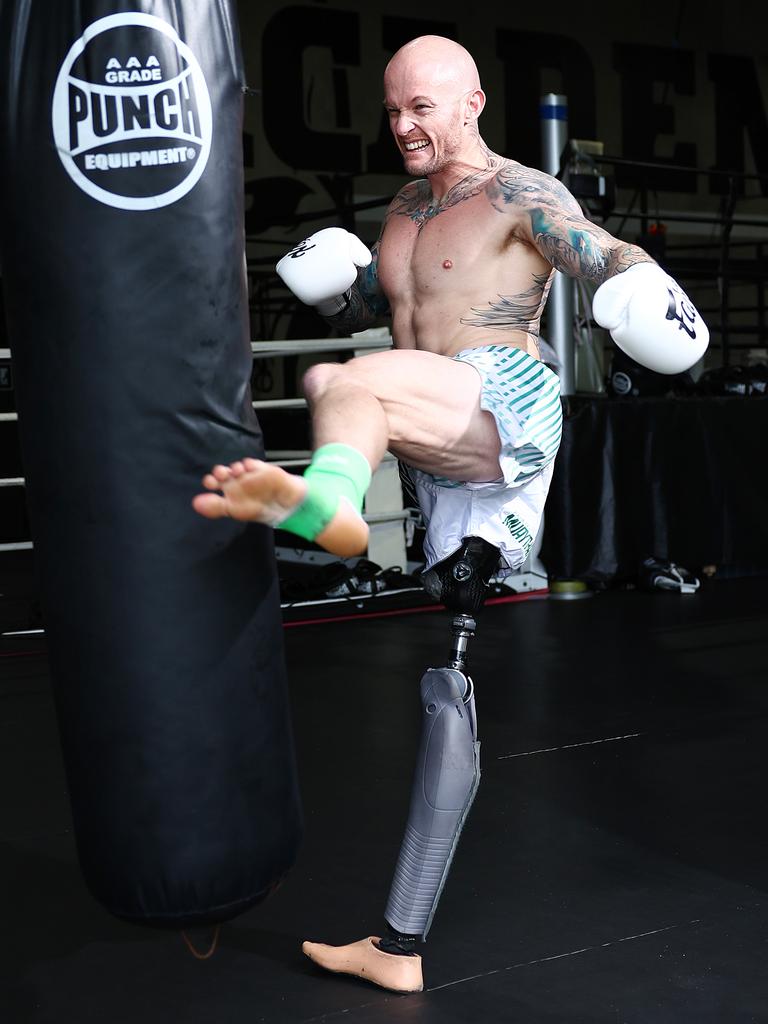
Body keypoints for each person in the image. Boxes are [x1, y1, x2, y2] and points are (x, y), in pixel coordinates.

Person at [193, 35, 708, 992]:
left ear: (473, 101)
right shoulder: (397, 211)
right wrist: (348, 288)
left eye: (421, 107)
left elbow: (598, 251)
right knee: (451, 692)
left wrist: (638, 284)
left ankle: (334, 508)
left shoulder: (522, 194)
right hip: (439, 449)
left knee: (345, 387)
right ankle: (399, 946)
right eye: (391, 111)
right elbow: (404, 320)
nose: (402, 127)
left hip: (504, 396)